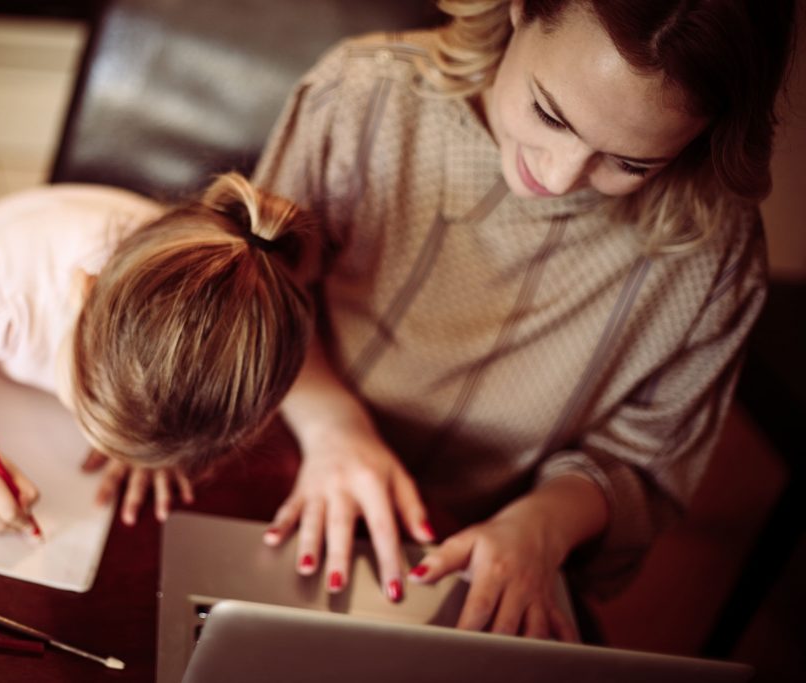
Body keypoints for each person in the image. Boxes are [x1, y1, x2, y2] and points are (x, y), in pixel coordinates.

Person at [252, 0, 797, 640]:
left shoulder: (714, 255)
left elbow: (644, 465)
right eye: (548, 114)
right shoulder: (364, 100)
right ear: (517, 10)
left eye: (630, 163)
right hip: (282, 454)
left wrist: (541, 525)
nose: (561, 176)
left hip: (487, 549)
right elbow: (258, 294)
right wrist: (332, 424)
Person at [0, 173, 318, 533]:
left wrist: (142, 438)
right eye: (84, 411)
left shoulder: (228, 320)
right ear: (84, 293)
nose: (95, 443)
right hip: (18, 245)